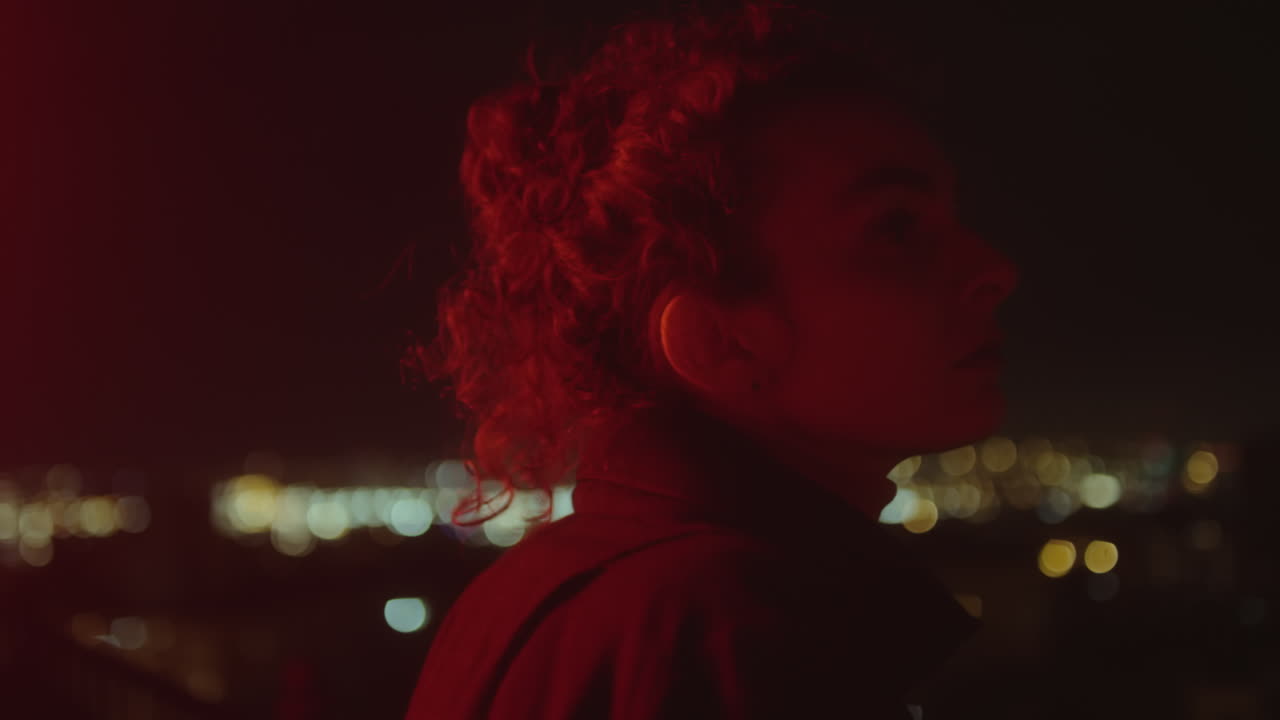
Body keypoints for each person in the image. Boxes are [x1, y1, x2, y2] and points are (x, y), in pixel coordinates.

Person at [403, 1, 1019, 717]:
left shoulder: (540, 587)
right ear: (718, 343)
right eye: (897, 227)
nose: (995, 268)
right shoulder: (735, 637)